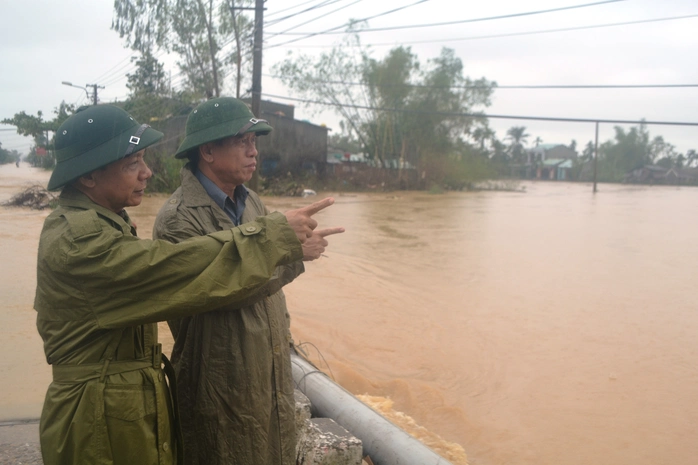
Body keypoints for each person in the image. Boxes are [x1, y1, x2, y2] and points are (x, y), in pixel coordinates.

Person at [35, 104, 333, 465]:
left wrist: (279, 245)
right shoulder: (80, 241)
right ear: (87, 177)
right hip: (100, 418)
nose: (147, 173)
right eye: (133, 164)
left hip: (124, 410)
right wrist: (281, 246)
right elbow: (182, 275)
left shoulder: (106, 224)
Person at [152, 97, 344, 465]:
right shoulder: (179, 219)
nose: (253, 150)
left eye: (254, 141)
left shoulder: (251, 201)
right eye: (242, 141)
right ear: (207, 150)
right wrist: (291, 254)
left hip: (265, 373)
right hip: (218, 383)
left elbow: (263, 267)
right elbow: (221, 288)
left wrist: (292, 248)